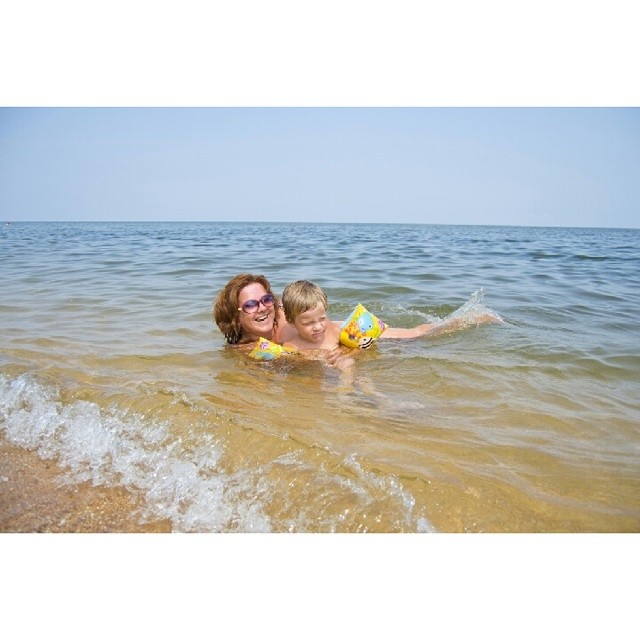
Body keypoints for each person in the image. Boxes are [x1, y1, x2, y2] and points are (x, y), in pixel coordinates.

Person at [213, 273, 298, 347]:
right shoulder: (241, 351)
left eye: (266, 299)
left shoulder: (292, 321)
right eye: (250, 305)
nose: (262, 308)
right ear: (235, 315)